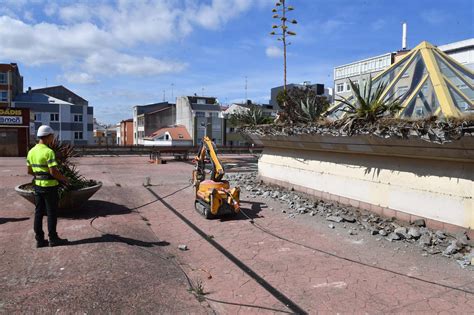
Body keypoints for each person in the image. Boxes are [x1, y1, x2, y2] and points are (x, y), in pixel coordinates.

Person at [27, 125, 70, 248]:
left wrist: (39, 175)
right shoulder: (49, 152)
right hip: (50, 186)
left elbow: (29, 171)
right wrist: (65, 179)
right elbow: (53, 172)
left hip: (38, 186)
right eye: (52, 136)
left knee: (38, 212)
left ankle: (39, 240)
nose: (53, 139)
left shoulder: (31, 151)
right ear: (48, 136)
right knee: (51, 213)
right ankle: (53, 238)